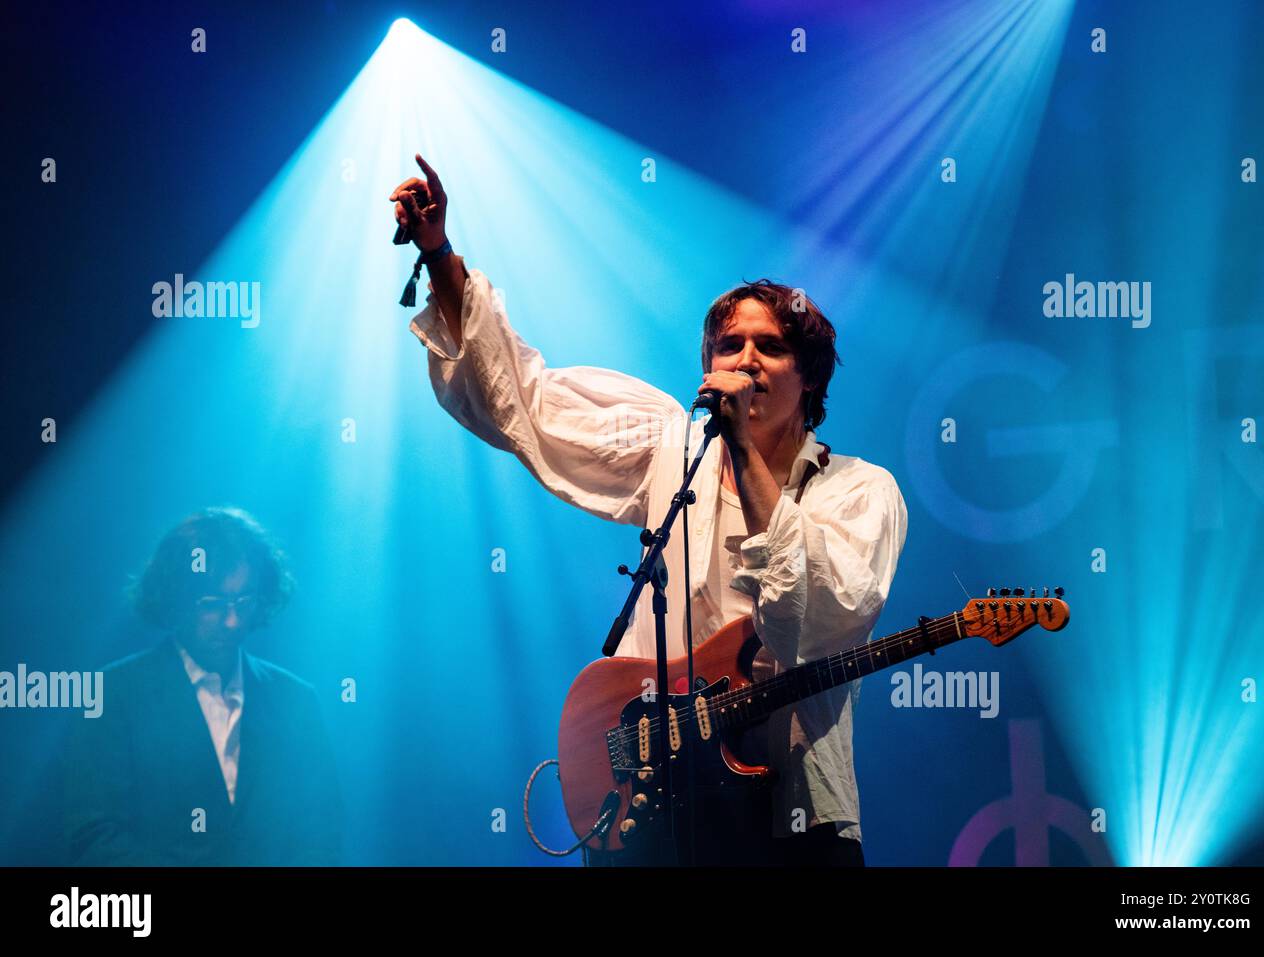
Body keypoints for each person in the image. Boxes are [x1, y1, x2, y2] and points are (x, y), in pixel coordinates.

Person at [391, 155, 907, 866]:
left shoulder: (860, 491)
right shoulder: (671, 445)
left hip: (789, 817)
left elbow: (812, 623)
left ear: (809, 373)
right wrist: (441, 255)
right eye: (731, 344)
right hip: (657, 803)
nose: (748, 358)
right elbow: (531, 408)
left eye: (772, 346)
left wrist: (744, 449)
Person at [64, 506, 342, 866]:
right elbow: (94, 837)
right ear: (175, 599)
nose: (232, 620)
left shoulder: (296, 700)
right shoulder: (111, 693)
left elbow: (322, 833)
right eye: (212, 604)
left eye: (244, 601)